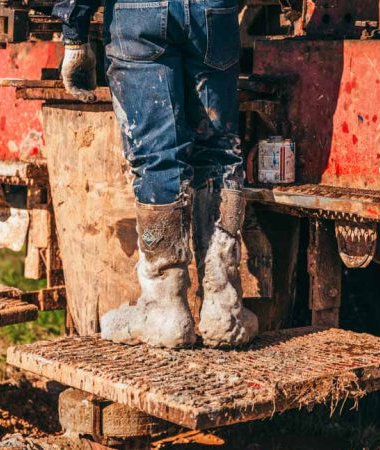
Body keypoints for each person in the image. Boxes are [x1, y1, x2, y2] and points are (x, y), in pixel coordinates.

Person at [53, 0, 258, 348]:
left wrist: (74, 36)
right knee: (219, 153)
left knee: (157, 158)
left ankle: (165, 309)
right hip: (212, 13)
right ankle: (224, 306)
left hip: (139, 13)